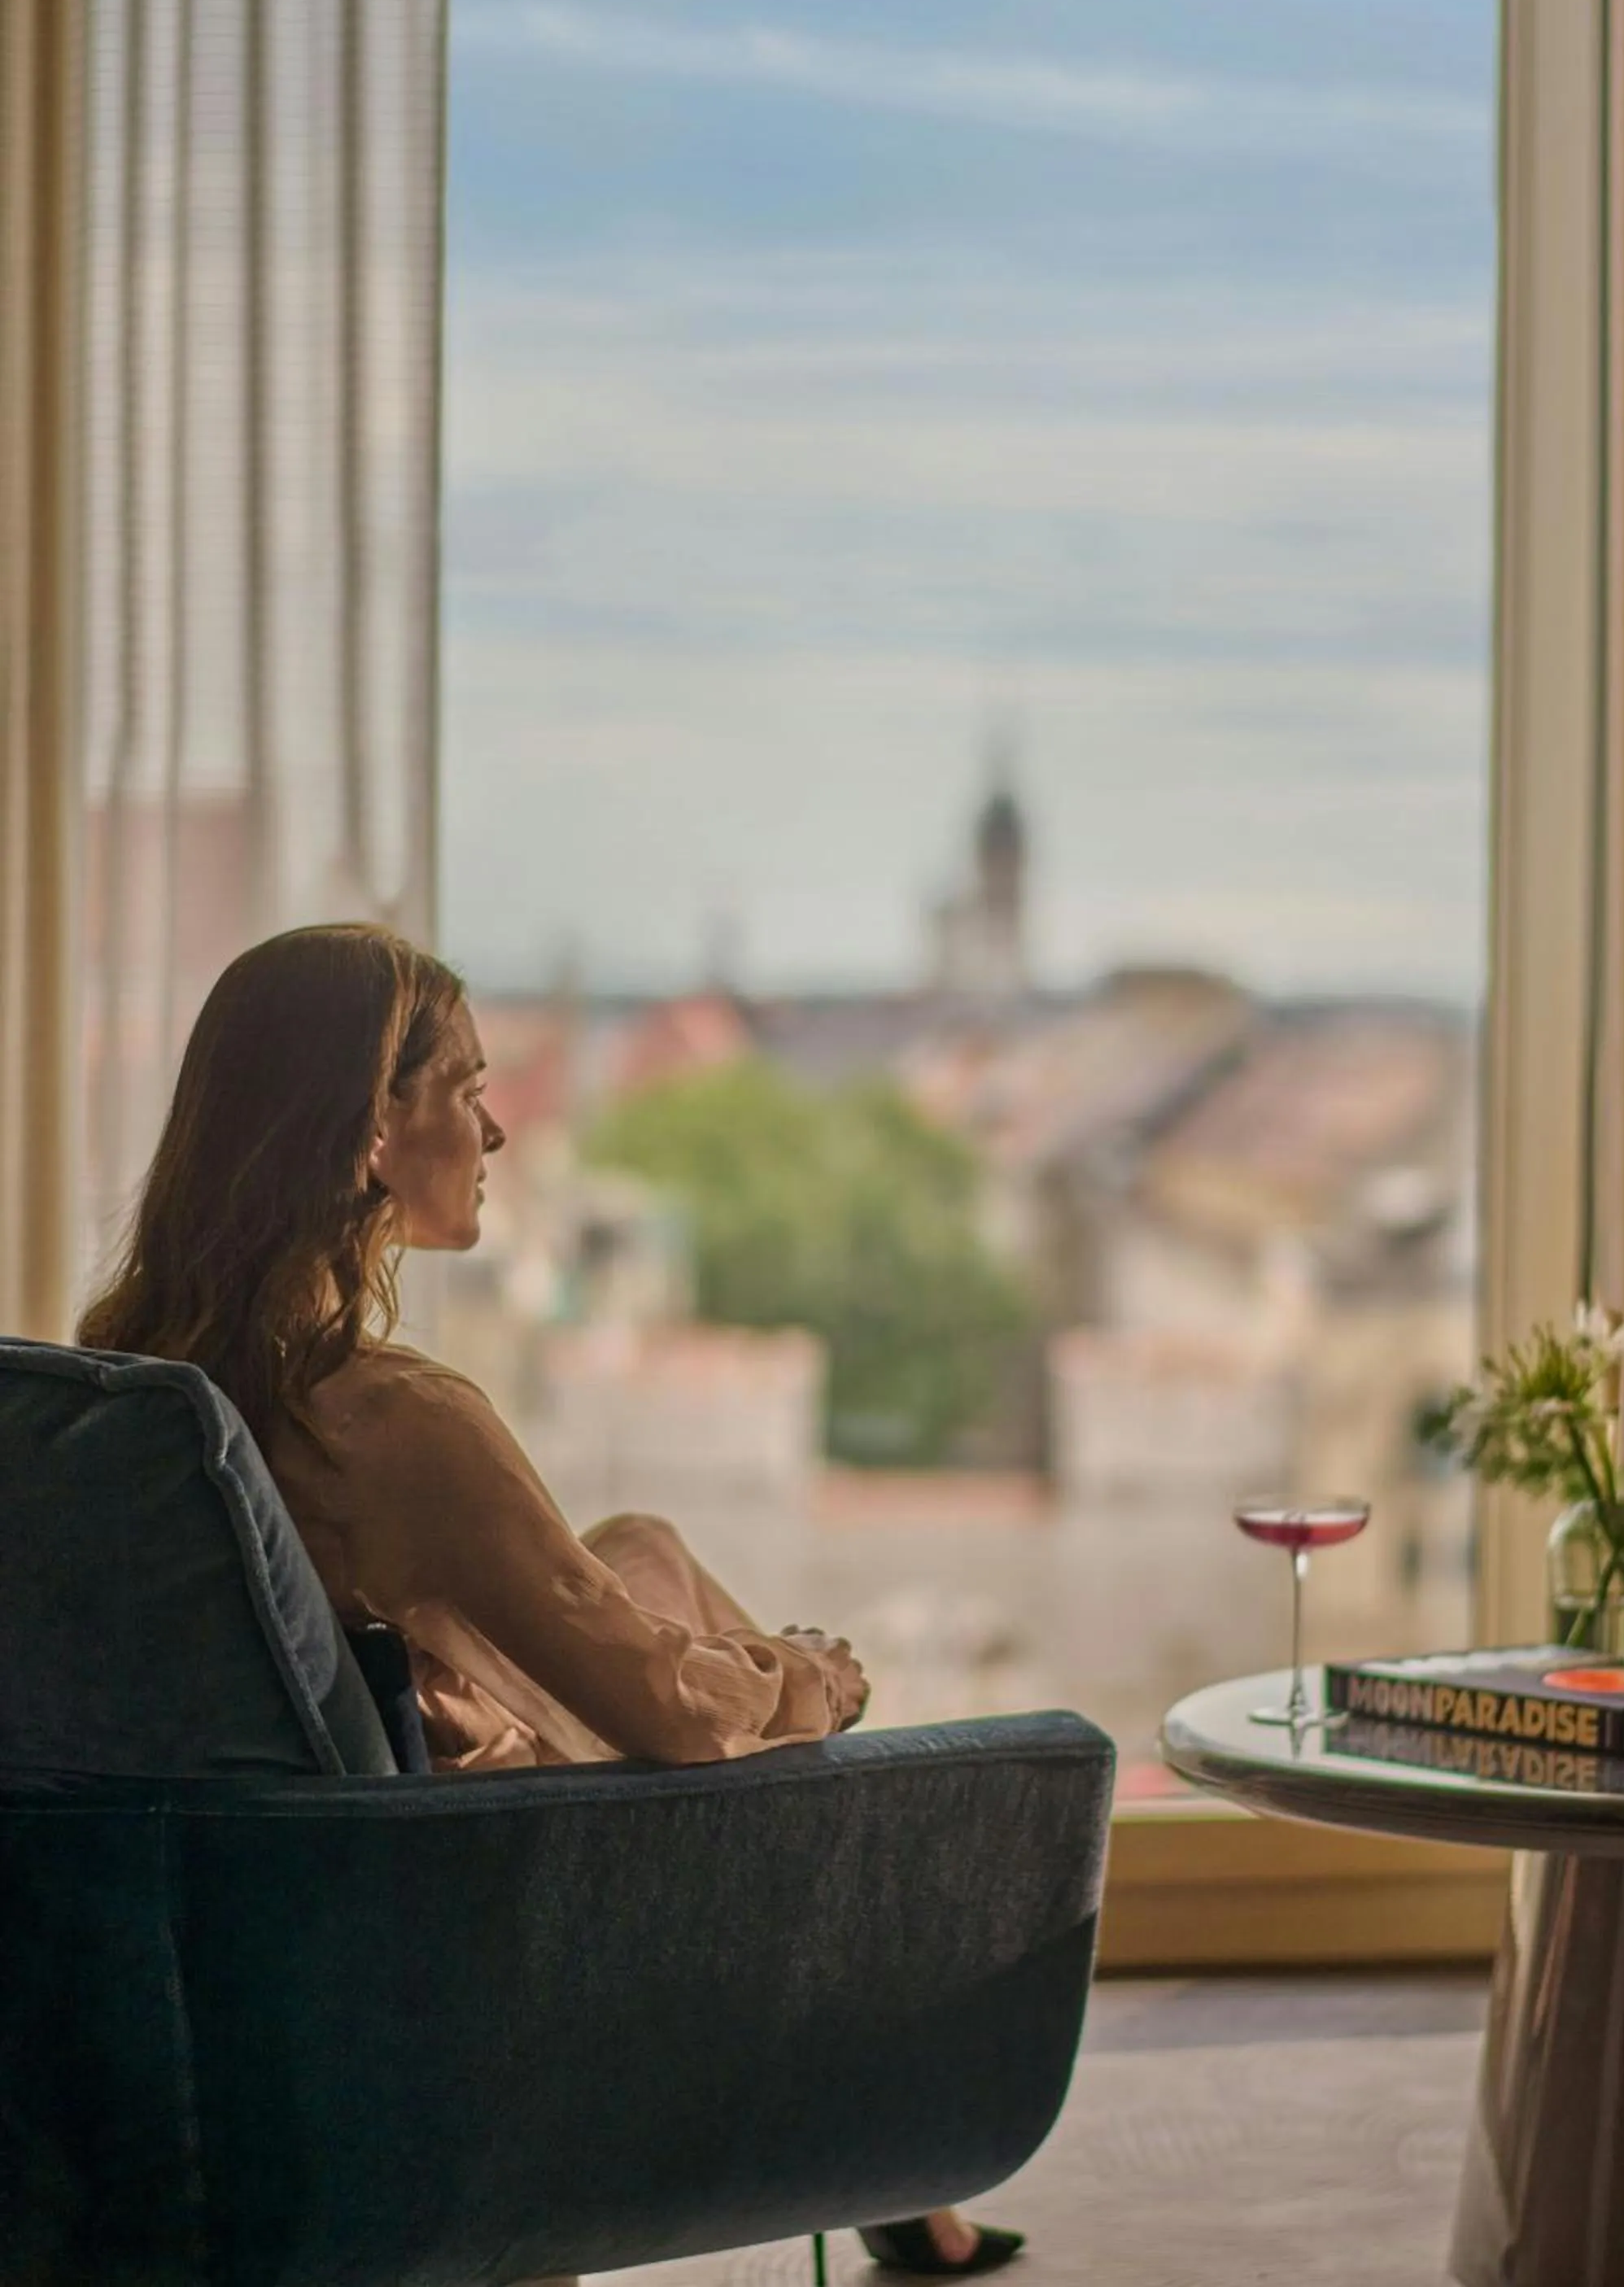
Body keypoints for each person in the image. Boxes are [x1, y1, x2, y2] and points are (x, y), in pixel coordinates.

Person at [80, 924, 1024, 2279]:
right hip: (486, 1920)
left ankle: (895, 2176)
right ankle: (887, 2137)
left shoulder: (124, 1388)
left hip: (268, 1923)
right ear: (368, 1133)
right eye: (465, 1090)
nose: (498, 1129)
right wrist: (814, 1677)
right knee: (754, 1696)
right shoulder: (394, 1419)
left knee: (642, 1548)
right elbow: (679, 1722)